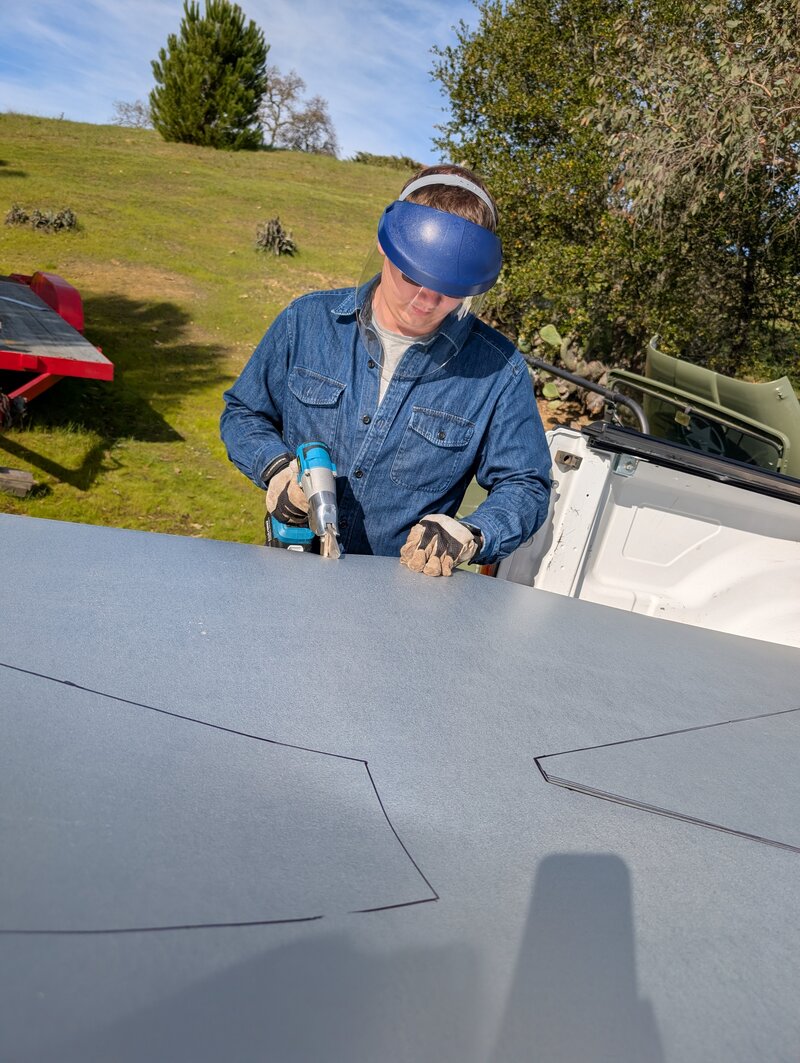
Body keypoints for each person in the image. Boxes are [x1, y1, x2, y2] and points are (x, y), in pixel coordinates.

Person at [220, 163, 551, 576]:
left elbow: (525, 484)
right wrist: (275, 469)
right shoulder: (307, 322)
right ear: (386, 243)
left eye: (449, 288)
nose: (426, 300)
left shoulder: (498, 370)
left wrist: (472, 533)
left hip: (399, 591)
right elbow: (243, 412)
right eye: (412, 276)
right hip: (290, 570)